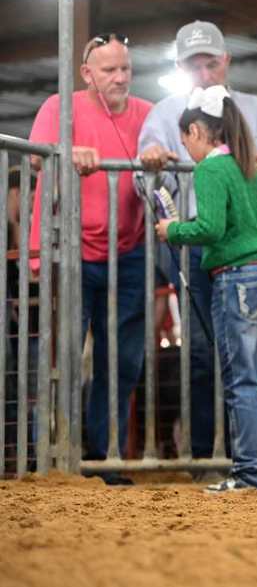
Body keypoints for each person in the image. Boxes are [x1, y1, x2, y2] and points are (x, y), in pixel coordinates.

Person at [138, 20, 257, 467]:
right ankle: (214, 454)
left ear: (226, 60)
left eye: (211, 63)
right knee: (207, 352)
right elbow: (142, 175)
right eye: (194, 65)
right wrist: (151, 163)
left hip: (219, 247)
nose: (205, 72)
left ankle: (245, 456)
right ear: (180, 67)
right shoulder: (164, 115)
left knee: (248, 359)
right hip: (225, 255)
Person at [28, 33, 152, 484]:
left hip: (131, 252)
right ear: (86, 73)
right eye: (109, 70)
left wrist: (159, 154)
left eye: (125, 68)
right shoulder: (59, 107)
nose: (120, 77)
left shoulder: (147, 113)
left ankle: (104, 458)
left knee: (122, 361)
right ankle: (50, 455)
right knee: (61, 356)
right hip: (71, 253)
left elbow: (171, 151)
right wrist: (66, 152)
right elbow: (38, 159)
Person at [156, 85, 257, 492]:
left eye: (186, 140)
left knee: (240, 381)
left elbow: (209, 228)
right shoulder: (246, 166)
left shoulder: (210, 169)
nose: (187, 149)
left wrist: (173, 229)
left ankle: (250, 472)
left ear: (196, 131)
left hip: (236, 278)